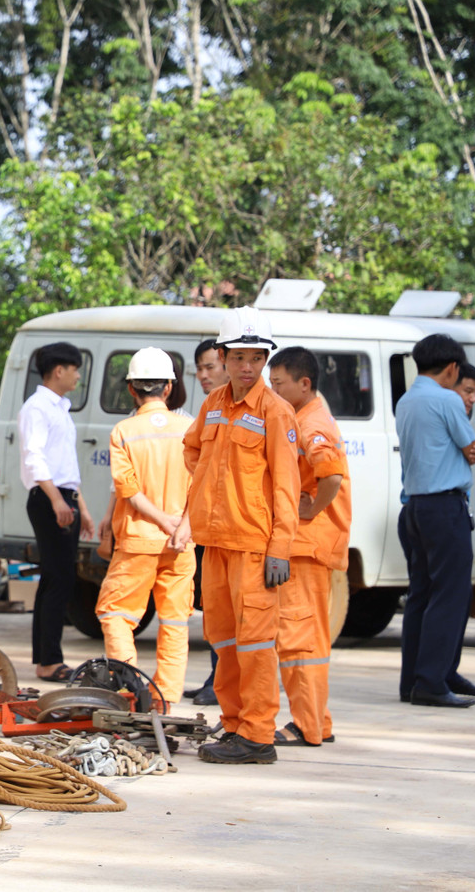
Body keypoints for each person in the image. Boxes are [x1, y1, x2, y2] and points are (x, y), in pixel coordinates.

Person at [172, 307, 300, 764]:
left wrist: (280, 547)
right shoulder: (213, 405)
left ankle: (258, 737)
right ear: (223, 357)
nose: (248, 366)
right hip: (216, 544)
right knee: (224, 642)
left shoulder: (276, 411)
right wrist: (212, 493)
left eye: (257, 357)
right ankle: (233, 726)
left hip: (254, 550)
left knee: (256, 646)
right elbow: (192, 450)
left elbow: (287, 485)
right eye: (239, 357)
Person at [95, 348, 195, 707]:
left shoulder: (124, 431)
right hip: (181, 543)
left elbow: (128, 489)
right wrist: (181, 524)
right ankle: (165, 698)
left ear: (131, 389)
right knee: (175, 621)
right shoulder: (189, 428)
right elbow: (202, 484)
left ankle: (130, 692)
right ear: (168, 388)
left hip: (138, 540)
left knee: (115, 613)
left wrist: (161, 520)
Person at [396, 334, 475, 708]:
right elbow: (472, 449)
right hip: (444, 506)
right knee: (450, 594)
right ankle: (432, 680)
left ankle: (415, 679)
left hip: (415, 508)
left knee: (421, 595)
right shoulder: (448, 399)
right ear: (452, 368)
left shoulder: (406, 401)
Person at [268, 347, 352, 747]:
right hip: (309, 544)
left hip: (305, 545)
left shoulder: (311, 423)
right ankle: (318, 720)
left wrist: (312, 509)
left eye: (278, 383)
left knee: (298, 637)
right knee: (309, 637)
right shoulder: (307, 416)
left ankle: (306, 725)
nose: (273, 391)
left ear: (304, 383)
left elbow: (331, 475)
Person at [19, 341, 95, 682]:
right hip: (49, 497)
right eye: (75, 369)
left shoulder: (60, 408)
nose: (78, 376)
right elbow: (35, 457)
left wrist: (81, 506)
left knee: (55, 578)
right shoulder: (37, 407)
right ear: (59, 370)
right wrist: (57, 501)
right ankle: (49, 661)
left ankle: (46, 659)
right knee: (60, 579)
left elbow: (67, 466)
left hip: (63, 495)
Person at [183, 337, 229, 707]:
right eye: (199, 368)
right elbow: (193, 452)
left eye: (209, 366)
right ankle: (217, 678)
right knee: (213, 609)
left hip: (238, 529)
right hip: (211, 526)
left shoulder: (255, 409)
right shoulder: (211, 407)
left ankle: (226, 682)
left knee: (233, 614)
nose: (202, 374)